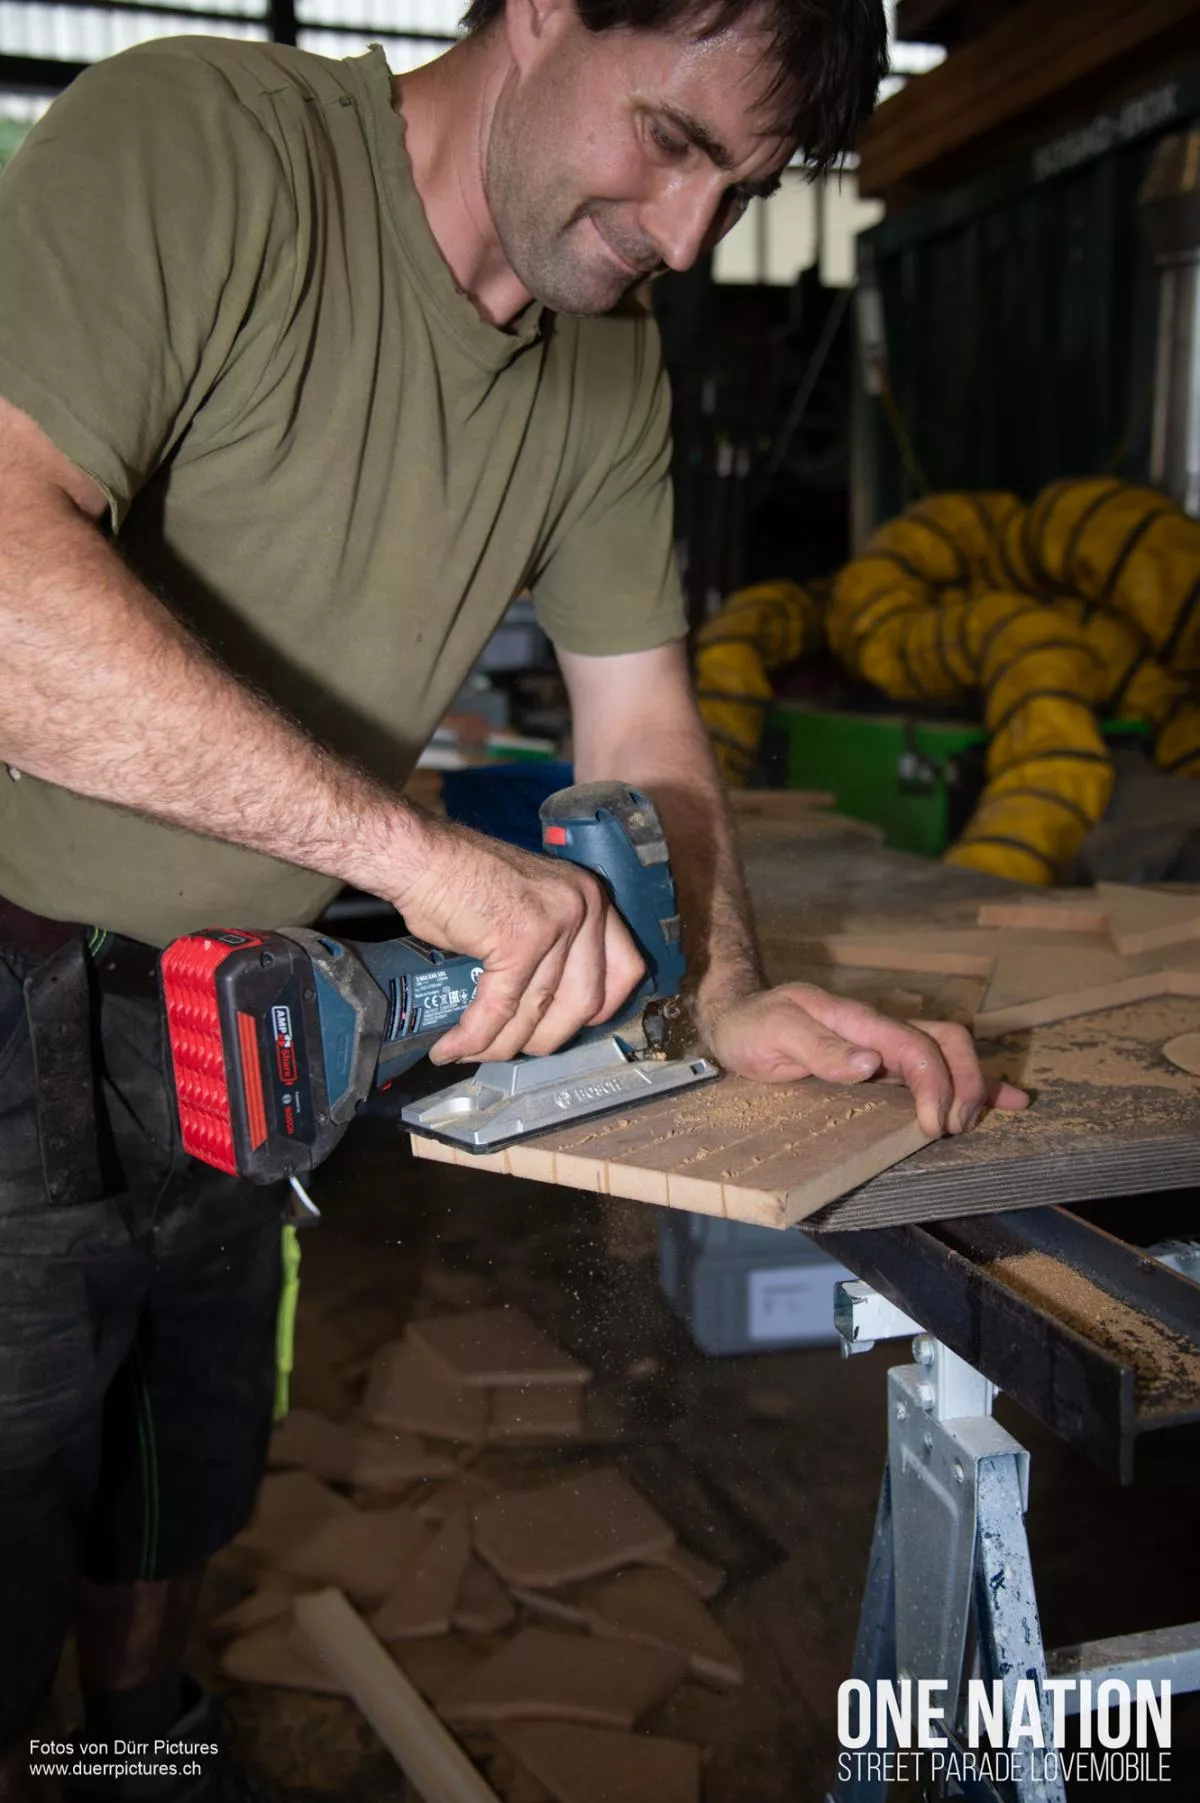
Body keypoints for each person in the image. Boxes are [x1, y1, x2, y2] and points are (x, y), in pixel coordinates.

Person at [0, 0, 1026, 1792]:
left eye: (742, 188)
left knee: (184, 1462)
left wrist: (725, 989)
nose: (691, 236)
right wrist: (420, 861)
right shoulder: (205, 150)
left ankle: (140, 1748)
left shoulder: (602, 360)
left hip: (242, 1006)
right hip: (8, 977)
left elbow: (644, 730)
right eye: (676, 143)